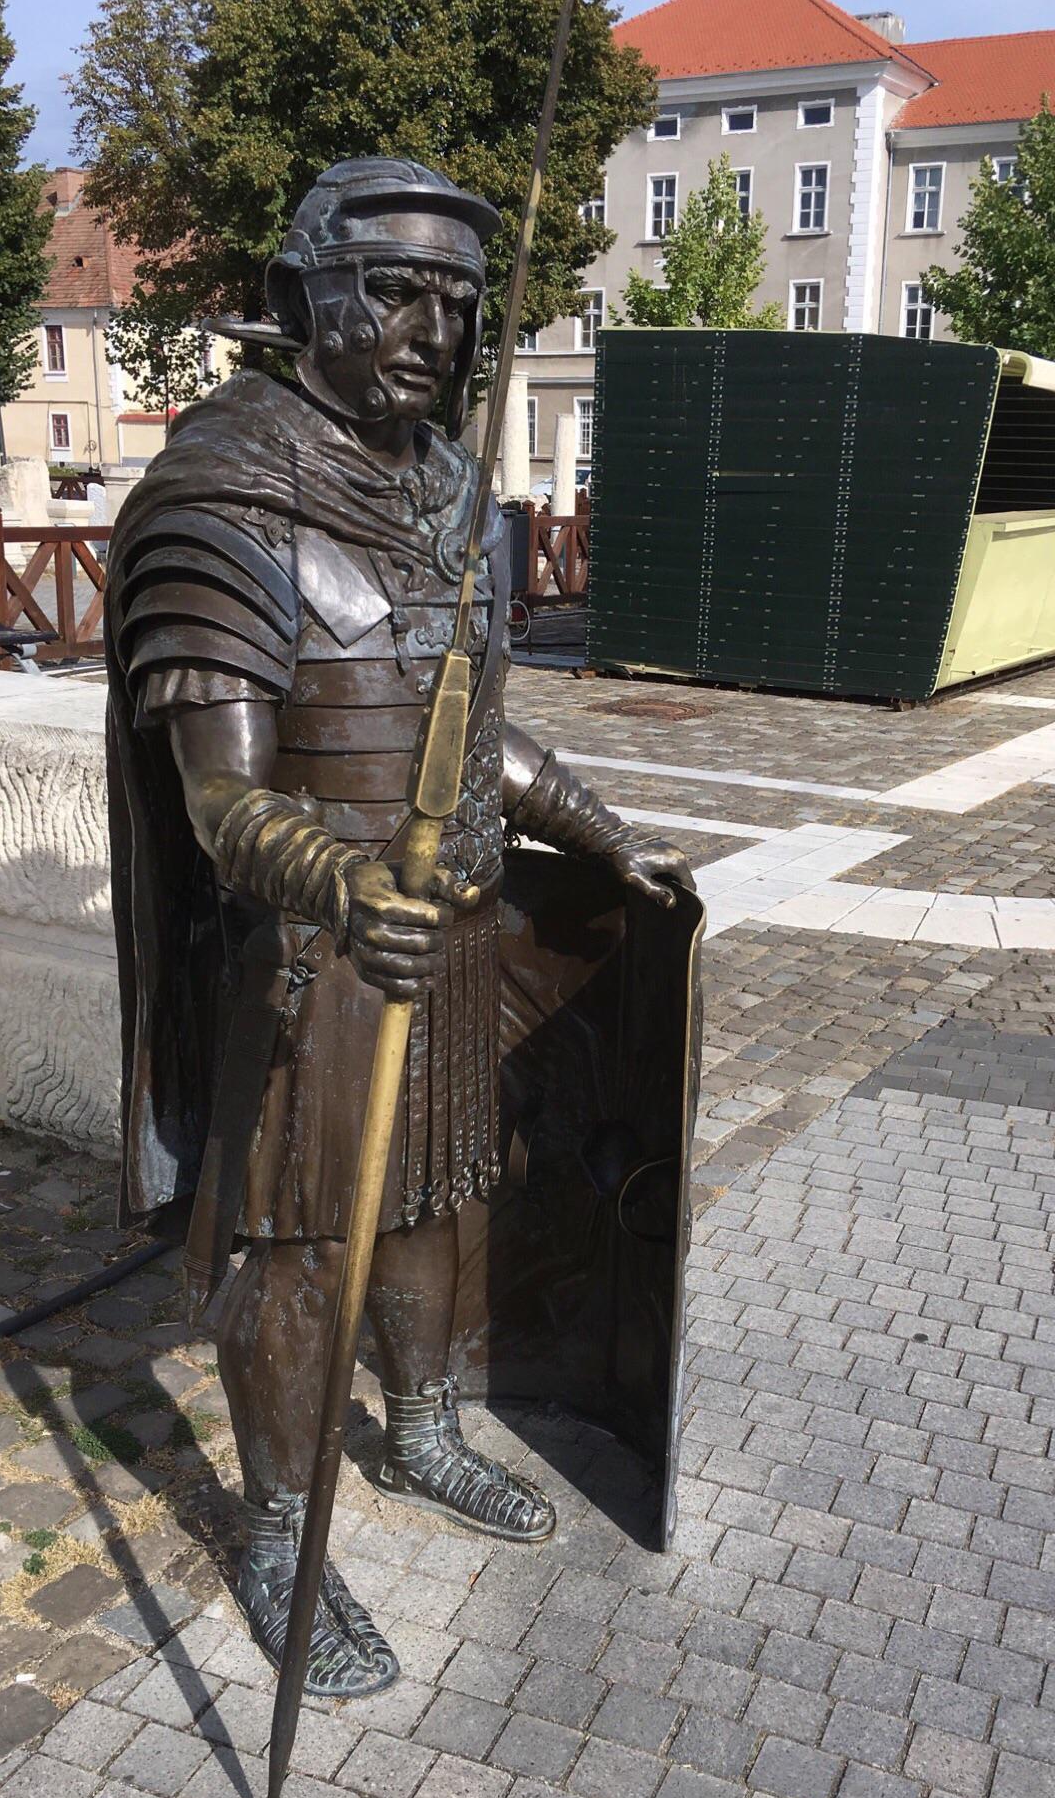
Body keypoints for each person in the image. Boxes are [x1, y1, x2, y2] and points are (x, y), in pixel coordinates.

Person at [102, 157, 695, 1693]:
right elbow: (220, 808)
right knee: (300, 1256)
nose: (432, 329)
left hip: (450, 942)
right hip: (312, 960)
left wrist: (607, 840)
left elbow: (464, 738)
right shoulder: (221, 499)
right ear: (303, 298)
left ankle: (423, 1432)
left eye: (456, 301)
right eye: (395, 292)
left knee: (435, 1201)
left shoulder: (441, 488)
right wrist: (351, 887)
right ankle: (275, 1524)